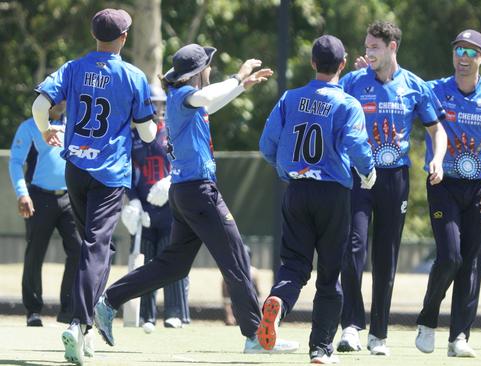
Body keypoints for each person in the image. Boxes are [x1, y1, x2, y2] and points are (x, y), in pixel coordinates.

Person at [92, 42, 298, 355]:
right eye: (208, 66)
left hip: (187, 193)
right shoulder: (183, 97)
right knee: (237, 259)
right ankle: (256, 336)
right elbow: (206, 98)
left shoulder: (185, 98)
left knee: (173, 265)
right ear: (199, 72)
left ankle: (108, 301)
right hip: (199, 193)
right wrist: (239, 76)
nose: (211, 70)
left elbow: (210, 103)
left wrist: (239, 86)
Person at [32, 8, 157, 364]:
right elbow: (148, 131)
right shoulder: (133, 75)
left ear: (94, 36)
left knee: (97, 249)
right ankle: (78, 322)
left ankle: (84, 332)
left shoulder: (73, 68)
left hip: (75, 169)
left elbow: (40, 103)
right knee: (95, 248)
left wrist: (45, 130)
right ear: (123, 38)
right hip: (109, 172)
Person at [257, 34, 376, 364]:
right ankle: (321, 349)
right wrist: (368, 171)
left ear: (312, 63)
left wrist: (287, 168)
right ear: (342, 65)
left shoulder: (290, 98)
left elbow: (267, 145)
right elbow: (355, 142)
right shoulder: (347, 103)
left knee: (293, 265)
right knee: (329, 275)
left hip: (296, 190)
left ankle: (278, 302)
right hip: (333, 194)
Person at [336, 21, 447, 356]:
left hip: (395, 179)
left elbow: (436, 130)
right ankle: (351, 326)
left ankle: (378, 335)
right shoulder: (353, 82)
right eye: (367, 46)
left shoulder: (414, 85)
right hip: (358, 176)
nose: (368, 52)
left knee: (386, 256)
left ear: (392, 47)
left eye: (375, 47)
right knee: (352, 247)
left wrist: (438, 159)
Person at [414, 29, 481, 358]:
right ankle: (427, 321)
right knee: (450, 256)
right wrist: (370, 69)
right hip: (443, 184)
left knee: (471, 262)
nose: (463, 58)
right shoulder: (433, 90)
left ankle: (459, 337)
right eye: (459, 50)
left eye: (471, 52)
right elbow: (401, 90)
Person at [120, 85, 190, 331]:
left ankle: (175, 313)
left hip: (171, 207)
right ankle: (145, 314)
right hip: (143, 211)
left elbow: (186, 162)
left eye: (160, 104)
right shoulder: (131, 137)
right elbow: (126, 172)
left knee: (171, 260)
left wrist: (171, 182)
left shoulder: (173, 131)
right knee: (146, 262)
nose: (157, 109)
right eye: (153, 105)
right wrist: (133, 201)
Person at [9, 101, 82, 327]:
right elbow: (15, 162)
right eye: (59, 98)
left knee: (79, 250)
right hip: (39, 198)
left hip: (70, 198)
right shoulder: (29, 127)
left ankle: (68, 309)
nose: (64, 102)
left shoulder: (73, 126)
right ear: (46, 102)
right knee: (35, 253)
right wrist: (22, 194)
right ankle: (33, 310)